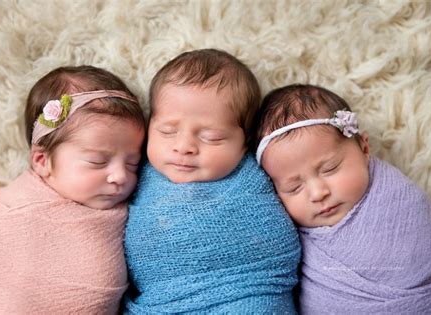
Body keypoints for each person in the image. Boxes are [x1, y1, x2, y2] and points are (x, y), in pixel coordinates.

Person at [124, 49, 301, 313]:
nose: (183, 147)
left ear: (246, 142)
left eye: (212, 137)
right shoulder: (131, 171)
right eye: (167, 131)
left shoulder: (257, 175)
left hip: (251, 297)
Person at [0, 65, 146, 314]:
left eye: (132, 163)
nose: (120, 176)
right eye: (97, 161)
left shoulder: (130, 209)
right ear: (42, 161)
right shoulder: (14, 209)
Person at [255, 83, 431, 314]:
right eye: (294, 187)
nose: (318, 193)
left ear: (364, 148)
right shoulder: (282, 233)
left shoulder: (399, 200)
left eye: (330, 169)